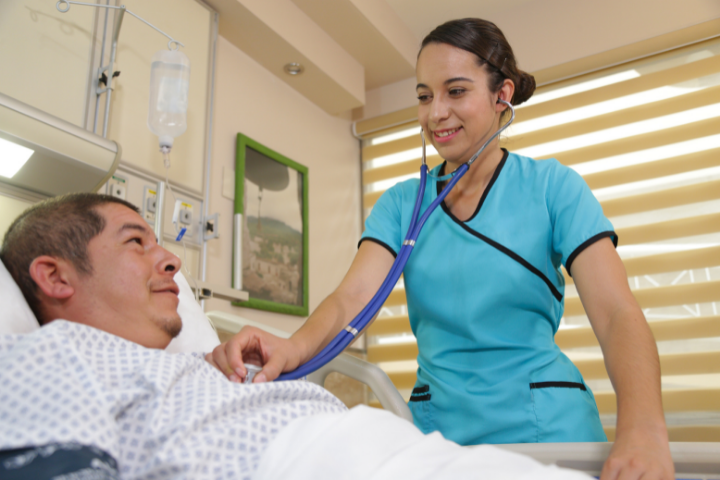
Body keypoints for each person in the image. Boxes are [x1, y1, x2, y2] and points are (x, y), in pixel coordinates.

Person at [207, 18, 675, 480]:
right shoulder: (401, 205)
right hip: (438, 435)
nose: (436, 113)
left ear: (501, 95)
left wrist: (644, 431)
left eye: (456, 91)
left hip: (546, 428)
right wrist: (291, 348)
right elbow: (350, 300)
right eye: (425, 96)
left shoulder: (554, 188)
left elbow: (616, 313)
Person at [0, 192, 592, 480]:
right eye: (136, 242)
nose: (171, 260)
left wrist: (212, 363)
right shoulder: (51, 354)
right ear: (54, 276)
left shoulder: (193, 368)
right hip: (309, 461)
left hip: (379, 448)